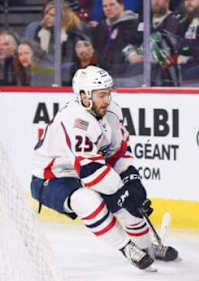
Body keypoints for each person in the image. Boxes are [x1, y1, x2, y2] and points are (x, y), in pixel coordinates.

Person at [30, 66, 178, 270]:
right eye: (101, 95)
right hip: (53, 177)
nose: (107, 100)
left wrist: (131, 181)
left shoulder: (112, 111)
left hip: (87, 170)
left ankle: (148, 248)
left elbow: (118, 153)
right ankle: (127, 248)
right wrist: (122, 192)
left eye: (108, 93)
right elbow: (91, 172)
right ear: (84, 96)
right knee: (89, 201)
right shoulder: (76, 121)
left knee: (129, 203)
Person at [91, 0, 141, 86]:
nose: (108, 9)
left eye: (112, 5)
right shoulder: (101, 26)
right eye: (105, 6)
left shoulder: (134, 24)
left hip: (125, 76)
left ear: (122, 6)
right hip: (102, 75)